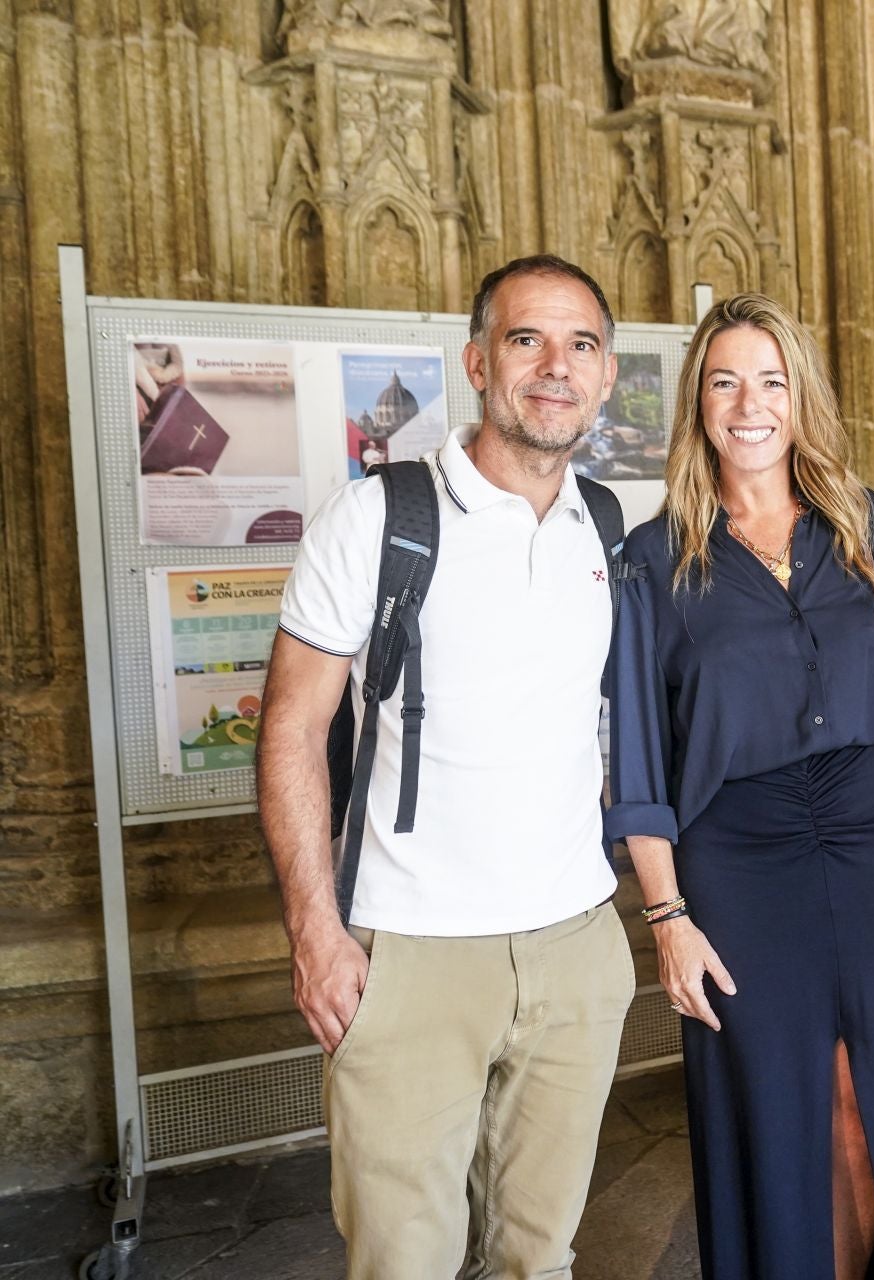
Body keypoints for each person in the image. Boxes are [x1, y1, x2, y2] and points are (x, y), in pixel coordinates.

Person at [258, 254, 635, 1277]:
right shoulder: (379, 519)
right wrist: (315, 932)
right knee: (404, 1263)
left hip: (573, 946)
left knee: (540, 1259)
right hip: (409, 954)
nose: (557, 367)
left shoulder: (606, 526)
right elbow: (291, 727)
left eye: (582, 345)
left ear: (607, 375)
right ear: (478, 359)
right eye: (528, 340)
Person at [604, 292, 874, 1280]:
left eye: (771, 380)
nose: (749, 402)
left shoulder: (860, 523)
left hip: (869, 835)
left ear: (799, 398)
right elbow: (637, 758)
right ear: (698, 402)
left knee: (873, 1093)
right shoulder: (653, 557)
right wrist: (668, 916)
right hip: (737, 863)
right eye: (726, 381)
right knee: (777, 1105)